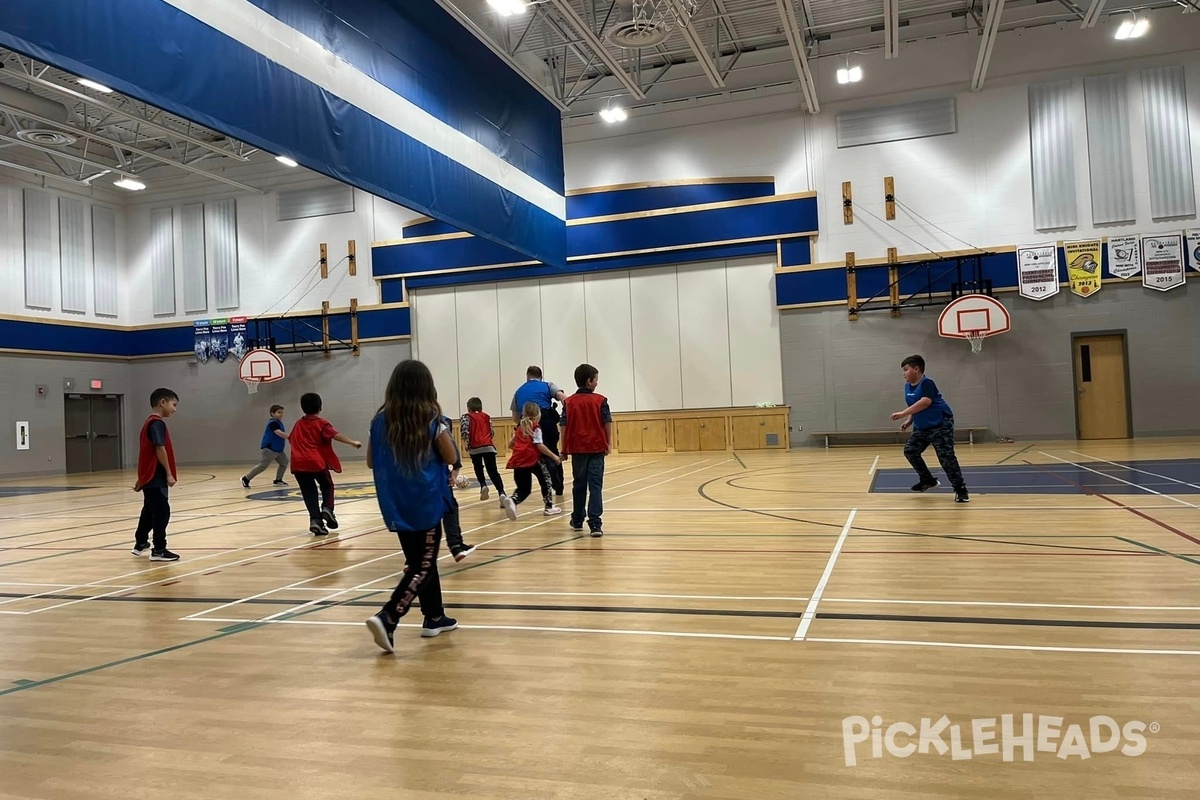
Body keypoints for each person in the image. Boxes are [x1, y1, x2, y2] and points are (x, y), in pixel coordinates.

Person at [365, 360, 459, 654]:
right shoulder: (431, 419)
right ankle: (389, 616)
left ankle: (434, 617)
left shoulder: (380, 421)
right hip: (426, 502)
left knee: (420, 562)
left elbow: (370, 461)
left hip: (396, 504)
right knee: (423, 565)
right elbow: (450, 455)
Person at [890, 354, 970, 503]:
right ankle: (928, 480)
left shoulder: (927, 383)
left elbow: (925, 402)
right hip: (922, 427)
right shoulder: (907, 386)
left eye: (906, 369)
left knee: (946, 457)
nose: (904, 373)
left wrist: (902, 414)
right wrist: (909, 420)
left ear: (916, 369)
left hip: (941, 423)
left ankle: (960, 489)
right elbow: (914, 405)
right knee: (910, 450)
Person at [289, 393, 362, 535]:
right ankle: (327, 508)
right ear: (320, 406)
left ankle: (315, 521)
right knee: (327, 485)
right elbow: (334, 434)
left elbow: (291, 438)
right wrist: (352, 442)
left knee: (309, 493)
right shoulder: (321, 423)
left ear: (303, 408)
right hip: (315, 462)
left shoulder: (298, 424)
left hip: (298, 464)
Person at [560, 364, 611, 537]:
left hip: (577, 449)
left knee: (579, 485)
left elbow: (564, 426)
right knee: (595, 486)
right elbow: (607, 422)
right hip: (596, 448)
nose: (597, 382)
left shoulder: (568, 402)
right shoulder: (601, 400)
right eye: (596, 379)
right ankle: (595, 524)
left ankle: (577, 519)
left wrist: (564, 448)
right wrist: (608, 443)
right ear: (589, 381)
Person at [131, 388, 181, 562]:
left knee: (150, 509)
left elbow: (146, 453)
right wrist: (168, 473)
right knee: (162, 511)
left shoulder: (149, 422)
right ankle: (159, 549)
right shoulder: (157, 423)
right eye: (173, 405)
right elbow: (159, 448)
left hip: (149, 475)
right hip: (156, 475)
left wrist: (141, 478)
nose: (174, 409)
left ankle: (141, 543)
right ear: (163, 403)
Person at [511, 366, 567, 495]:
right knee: (552, 451)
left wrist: (526, 424)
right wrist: (566, 416)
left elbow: (515, 416)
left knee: (533, 453)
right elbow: (563, 398)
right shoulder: (548, 385)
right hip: (546, 422)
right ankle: (558, 486)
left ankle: (524, 489)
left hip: (526, 425)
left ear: (527, 376)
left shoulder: (518, 391)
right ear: (541, 376)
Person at [461, 397, 518, 520]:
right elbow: (491, 432)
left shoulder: (466, 417)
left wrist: (466, 443)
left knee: (478, 467)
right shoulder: (487, 416)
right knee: (493, 471)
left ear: (469, 407)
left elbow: (465, 431)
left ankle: (483, 485)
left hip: (474, 447)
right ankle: (502, 493)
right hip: (488, 447)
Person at [506, 402, 562, 516]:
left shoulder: (520, 427)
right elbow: (539, 445)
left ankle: (513, 500)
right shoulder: (535, 427)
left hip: (518, 460)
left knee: (524, 488)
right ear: (538, 414)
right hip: (532, 459)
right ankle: (549, 506)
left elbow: (511, 444)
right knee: (546, 480)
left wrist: (521, 449)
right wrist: (554, 456)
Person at [440, 413, 479, 562]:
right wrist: (456, 467)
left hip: (404, 476)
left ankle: (411, 558)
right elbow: (450, 445)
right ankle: (455, 545)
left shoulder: (390, 418)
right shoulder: (436, 419)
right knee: (449, 508)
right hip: (434, 474)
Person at [241, 404, 289, 488]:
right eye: (279, 412)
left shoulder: (279, 422)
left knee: (284, 462)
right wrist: (290, 437)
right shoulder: (273, 423)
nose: (281, 414)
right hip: (269, 449)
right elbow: (278, 432)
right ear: (272, 413)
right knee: (262, 466)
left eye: (282, 412)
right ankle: (246, 478)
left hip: (278, 450)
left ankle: (278, 480)